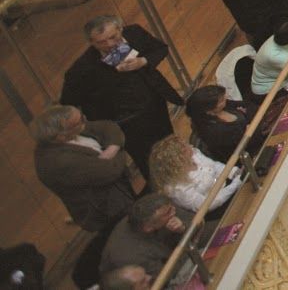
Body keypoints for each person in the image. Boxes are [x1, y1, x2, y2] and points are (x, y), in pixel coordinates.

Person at [60, 15, 180, 178]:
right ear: (91, 42)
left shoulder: (134, 34)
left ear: (120, 29)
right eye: (101, 42)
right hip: (126, 121)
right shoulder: (81, 70)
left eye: (113, 37)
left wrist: (143, 61)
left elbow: (160, 48)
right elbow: (68, 102)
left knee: (169, 141)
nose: (109, 44)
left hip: (154, 103)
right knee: (147, 159)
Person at [31, 104, 137, 235]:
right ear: (61, 135)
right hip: (108, 210)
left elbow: (108, 127)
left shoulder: (72, 131)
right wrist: (119, 147)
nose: (85, 120)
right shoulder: (59, 161)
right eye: (79, 121)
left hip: (118, 196)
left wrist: (112, 148)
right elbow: (111, 171)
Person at [99, 194, 187, 281]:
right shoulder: (134, 257)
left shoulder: (155, 213)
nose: (174, 211)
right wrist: (187, 241)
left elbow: (191, 221)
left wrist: (182, 229)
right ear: (148, 228)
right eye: (168, 212)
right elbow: (170, 275)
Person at [147, 135, 240, 217]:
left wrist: (232, 172)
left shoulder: (193, 154)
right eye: (184, 148)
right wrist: (234, 185)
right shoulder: (178, 189)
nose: (190, 146)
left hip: (227, 185)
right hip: (217, 208)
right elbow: (207, 205)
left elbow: (214, 166)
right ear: (177, 160)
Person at [184, 85, 254, 163]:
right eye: (222, 100)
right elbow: (237, 148)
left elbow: (245, 104)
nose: (226, 97)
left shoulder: (222, 105)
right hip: (246, 152)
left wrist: (246, 115)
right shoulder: (214, 131)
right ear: (209, 110)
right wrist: (248, 132)